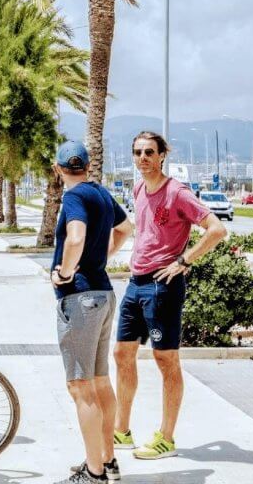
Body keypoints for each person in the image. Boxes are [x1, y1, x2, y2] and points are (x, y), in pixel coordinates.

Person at [113, 131, 227, 460]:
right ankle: (122, 430)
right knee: (122, 355)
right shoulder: (137, 188)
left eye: (150, 152)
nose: (143, 158)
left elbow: (217, 229)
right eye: (137, 152)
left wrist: (183, 261)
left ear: (163, 155)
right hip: (136, 283)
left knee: (167, 361)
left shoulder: (178, 192)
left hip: (162, 286)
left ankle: (166, 438)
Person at [49, 141, 134, 484]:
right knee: (100, 382)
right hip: (103, 293)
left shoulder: (72, 197)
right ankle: (107, 460)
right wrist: (103, 259)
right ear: (87, 166)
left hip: (80, 298)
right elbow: (127, 228)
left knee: (79, 386)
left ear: (57, 170)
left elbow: (75, 237)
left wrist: (68, 271)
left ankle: (94, 471)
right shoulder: (99, 193)